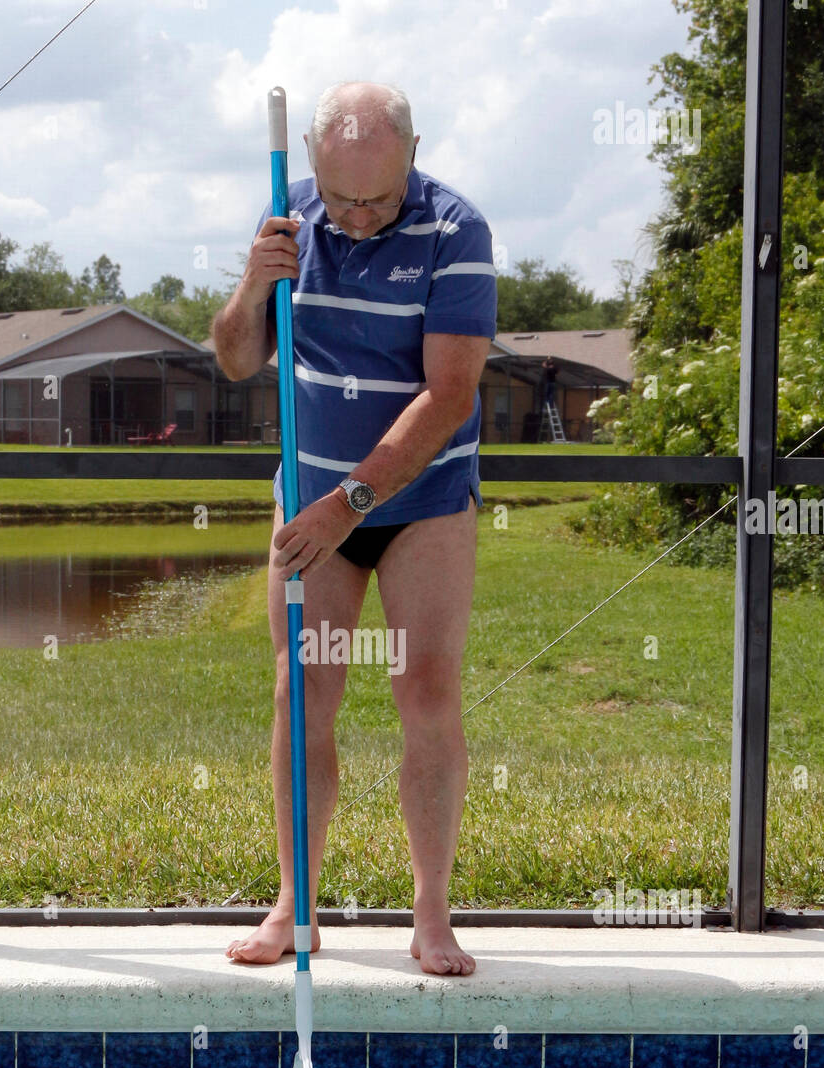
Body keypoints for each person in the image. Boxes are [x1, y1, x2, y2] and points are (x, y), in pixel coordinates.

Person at [212, 81, 496, 976]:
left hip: (419, 505)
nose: (358, 216)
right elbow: (233, 359)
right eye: (341, 196)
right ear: (311, 167)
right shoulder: (289, 221)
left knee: (425, 693)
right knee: (304, 696)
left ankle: (431, 913)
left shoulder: (458, 231)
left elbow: (448, 396)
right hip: (308, 505)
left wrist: (349, 507)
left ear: (414, 152)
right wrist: (253, 286)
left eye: (376, 198)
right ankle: (296, 905)